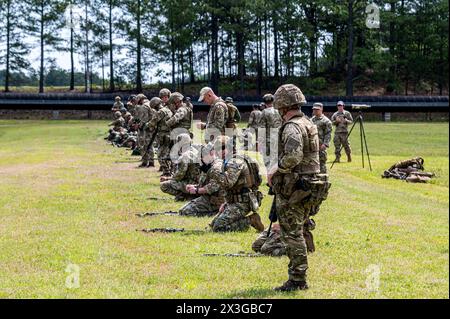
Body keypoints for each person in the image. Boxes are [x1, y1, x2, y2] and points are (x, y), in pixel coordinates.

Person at [268, 83, 330, 291]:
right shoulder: (308, 123)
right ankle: (299, 273)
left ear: (283, 106)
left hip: (294, 186)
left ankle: (297, 279)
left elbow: (293, 156)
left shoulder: (293, 126)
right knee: (300, 226)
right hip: (309, 184)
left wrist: (275, 169)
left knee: (291, 233)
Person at [209, 136, 265, 233]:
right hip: (236, 200)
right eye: (217, 149)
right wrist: (226, 203)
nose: (218, 152)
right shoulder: (234, 158)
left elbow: (227, 183)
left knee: (218, 228)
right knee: (213, 225)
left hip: (242, 202)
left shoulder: (234, 162)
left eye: (222, 148)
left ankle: (251, 220)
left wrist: (215, 166)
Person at [179, 143, 225, 217]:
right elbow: (205, 183)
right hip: (208, 198)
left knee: (186, 212)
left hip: (216, 201)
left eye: (203, 157)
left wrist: (197, 190)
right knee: (182, 211)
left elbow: (214, 186)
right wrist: (195, 187)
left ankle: (216, 213)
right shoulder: (207, 166)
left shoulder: (217, 168)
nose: (201, 160)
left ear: (211, 154)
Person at [160, 134, 201, 201]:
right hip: (199, 183)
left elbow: (179, 175)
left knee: (164, 185)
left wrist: (168, 179)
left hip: (191, 184)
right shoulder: (196, 151)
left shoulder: (184, 156)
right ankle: (189, 195)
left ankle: (184, 195)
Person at [147, 97, 174, 176]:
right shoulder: (168, 110)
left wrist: (147, 125)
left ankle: (167, 172)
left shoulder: (160, 112)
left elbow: (153, 122)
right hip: (170, 135)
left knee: (160, 155)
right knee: (168, 154)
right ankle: (170, 171)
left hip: (163, 136)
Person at [259, 93, 282, 168]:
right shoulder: (279, 111)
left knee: (269, 161)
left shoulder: (264, 112)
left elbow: (262, 128)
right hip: (280, 138)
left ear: (265, 102)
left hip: (269, 140)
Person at [311, 103, 332, 173]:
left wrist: (325, 144)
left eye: (317, 109)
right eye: (314, 109)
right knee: (312, 163)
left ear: (321, 109)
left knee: (322, 164)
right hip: (312, 145)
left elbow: (328, 133)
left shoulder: (326, 121)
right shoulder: (311, 120)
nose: (315, 111)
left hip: (321, 145)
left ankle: (324, 180)